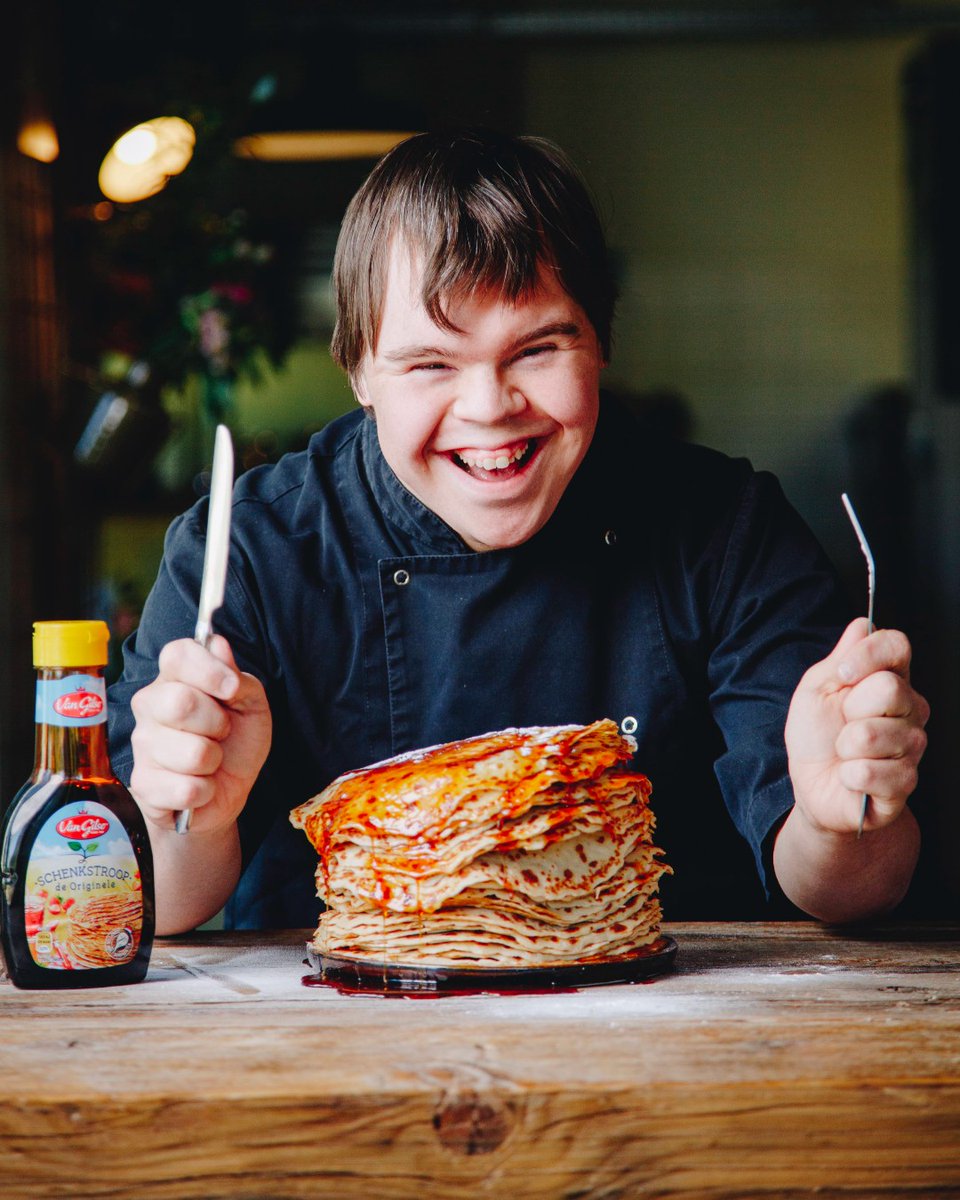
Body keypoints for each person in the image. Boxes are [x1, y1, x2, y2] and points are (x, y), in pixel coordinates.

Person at [107, 128, 928, 936]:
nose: (489, 407)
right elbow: (149, 900)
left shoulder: (727, 529)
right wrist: (195, 815)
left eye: (536, 348)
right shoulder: (248, 552)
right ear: (358, 369)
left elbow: (856, 890)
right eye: (430, 363)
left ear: (600, 339)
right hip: (341, 1026)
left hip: (664, 1026)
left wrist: (841, 817)